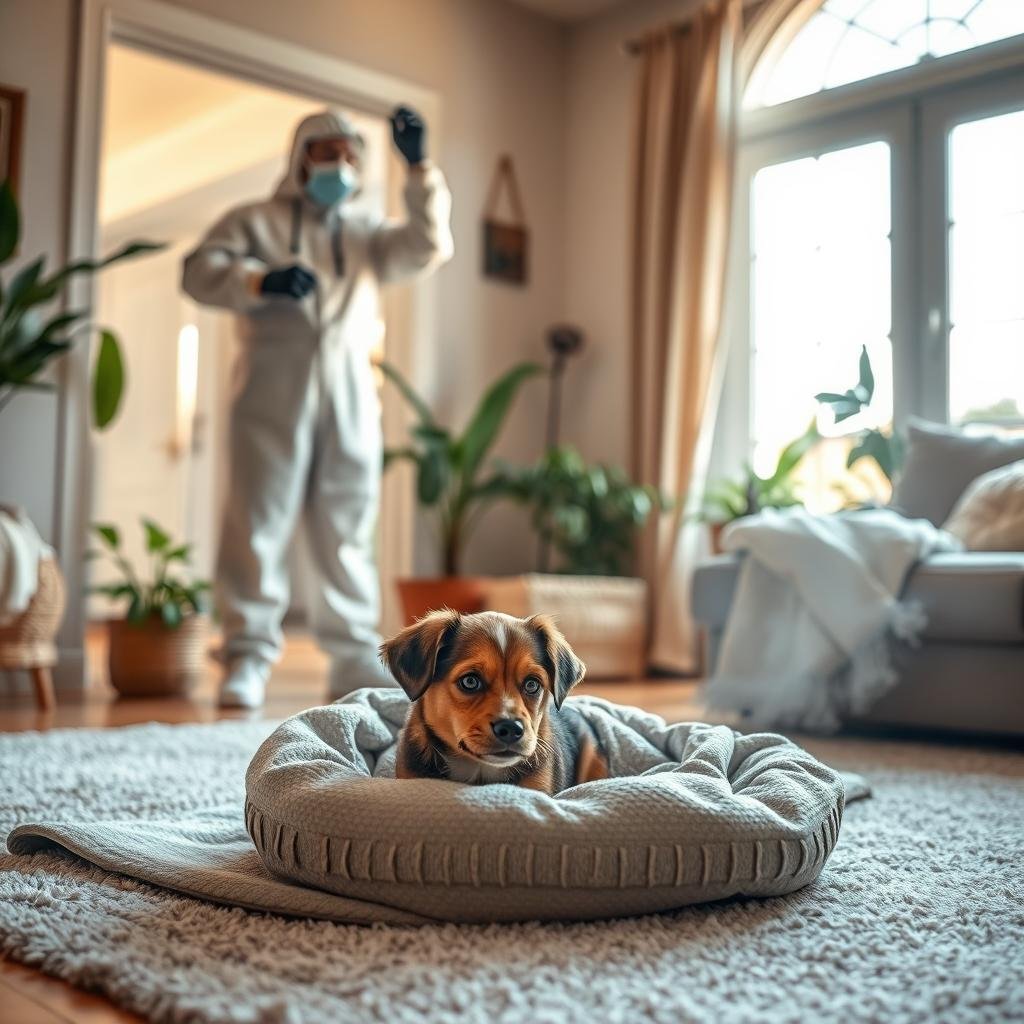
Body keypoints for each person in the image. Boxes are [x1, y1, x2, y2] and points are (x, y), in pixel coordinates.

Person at [182, 106, 453, 708]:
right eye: (327, 151)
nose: (341, 164)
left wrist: (419, 169)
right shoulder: (253, 220)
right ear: (301, 155)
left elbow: (427, 245)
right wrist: (260, 280)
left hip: (351, 386)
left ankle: (354, 654)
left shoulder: (365, 232)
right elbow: (197, 272)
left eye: (352, 154)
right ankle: (248, 655)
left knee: (348, 522)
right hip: (270, 385)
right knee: (258, 518)